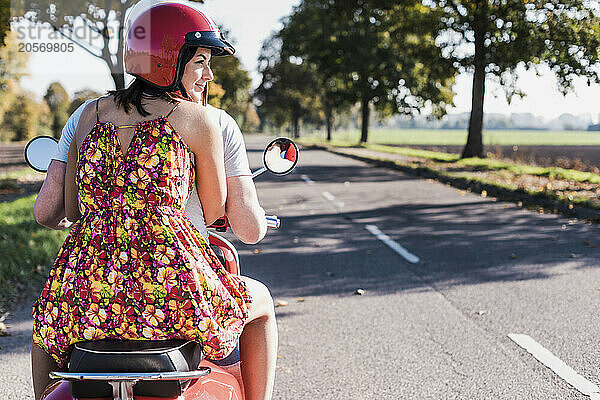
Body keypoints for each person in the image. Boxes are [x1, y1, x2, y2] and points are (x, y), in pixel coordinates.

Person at [30, 4, 276, 400]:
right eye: (200, 62)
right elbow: (213, 213)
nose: (208, 74)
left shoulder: (89, 116)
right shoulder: (200, 120)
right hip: (172, 283)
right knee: (260, 300)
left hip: (90, 285)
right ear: (167, 60)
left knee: (45, 325)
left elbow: (72, 211)